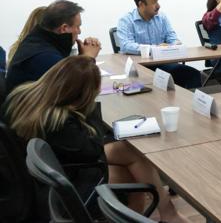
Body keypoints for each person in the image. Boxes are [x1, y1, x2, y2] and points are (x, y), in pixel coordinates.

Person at [1, 56, 188, 222]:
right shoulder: (58, 121)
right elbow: (93, 150)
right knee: (132, 176)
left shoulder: (25, 96)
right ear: (81, 95)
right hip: (62, 185)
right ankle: (167, 214)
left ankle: (167, 213)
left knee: (127, 152)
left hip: (47, 171)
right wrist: (90, 110)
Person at [5, 0, 101, 93]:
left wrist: (81, 59)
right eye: (78, 26)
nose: (79, 31)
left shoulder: (37, 41)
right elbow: (79, 91)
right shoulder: (45, 57)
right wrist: (88, 59)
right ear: (64, 28)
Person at [117, 0, 201, 90]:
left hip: (161, 63)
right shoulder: (126, 20)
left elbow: (172, 38)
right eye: (154, 2)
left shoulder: (162, 17)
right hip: (139, 66)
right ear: (141, 4)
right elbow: (126, 46)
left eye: (158, 1)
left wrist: (175, 44)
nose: (158, 6)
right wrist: (155, 49)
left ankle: (188, 101)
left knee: (193, 75)